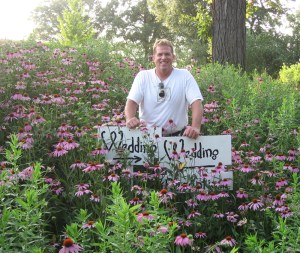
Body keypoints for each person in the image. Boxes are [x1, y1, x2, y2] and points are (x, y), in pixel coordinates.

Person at [125, 39, 204, 139]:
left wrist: (195, 127)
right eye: (159, 54)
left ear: (173, 57)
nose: (163, 57)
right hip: (147, 138)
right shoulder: (143, 77)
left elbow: (196, 102)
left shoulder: (184, 76)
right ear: (153, 58)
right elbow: (131, 102)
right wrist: (130, 118)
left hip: (178, 138)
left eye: (167, 54)